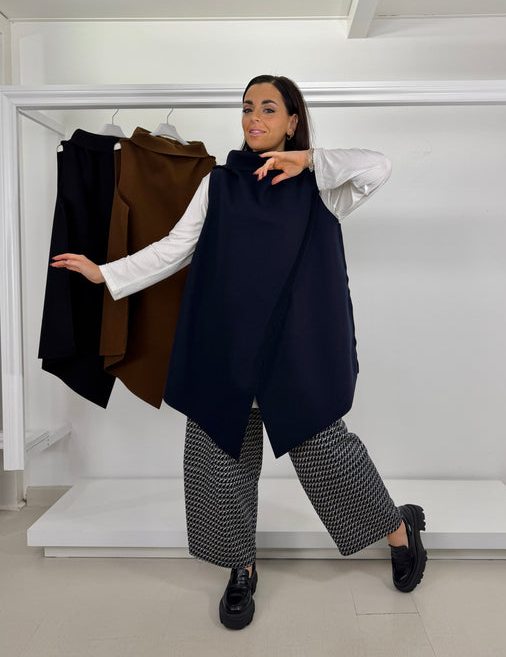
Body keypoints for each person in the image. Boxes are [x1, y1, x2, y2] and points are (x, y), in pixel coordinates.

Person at [51, 74, 427, 630]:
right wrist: (105, 273)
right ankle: (240, 568)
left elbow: (380, 166)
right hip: (226, 345)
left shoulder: (322, 184)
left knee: (326, 455)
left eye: (269, 108)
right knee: (219, 459)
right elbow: (175, 249)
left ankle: (399, 529)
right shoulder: (219, 183)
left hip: (292, 350)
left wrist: (310, 160)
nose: (254, 118)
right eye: (248, 107)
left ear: (293, 121)